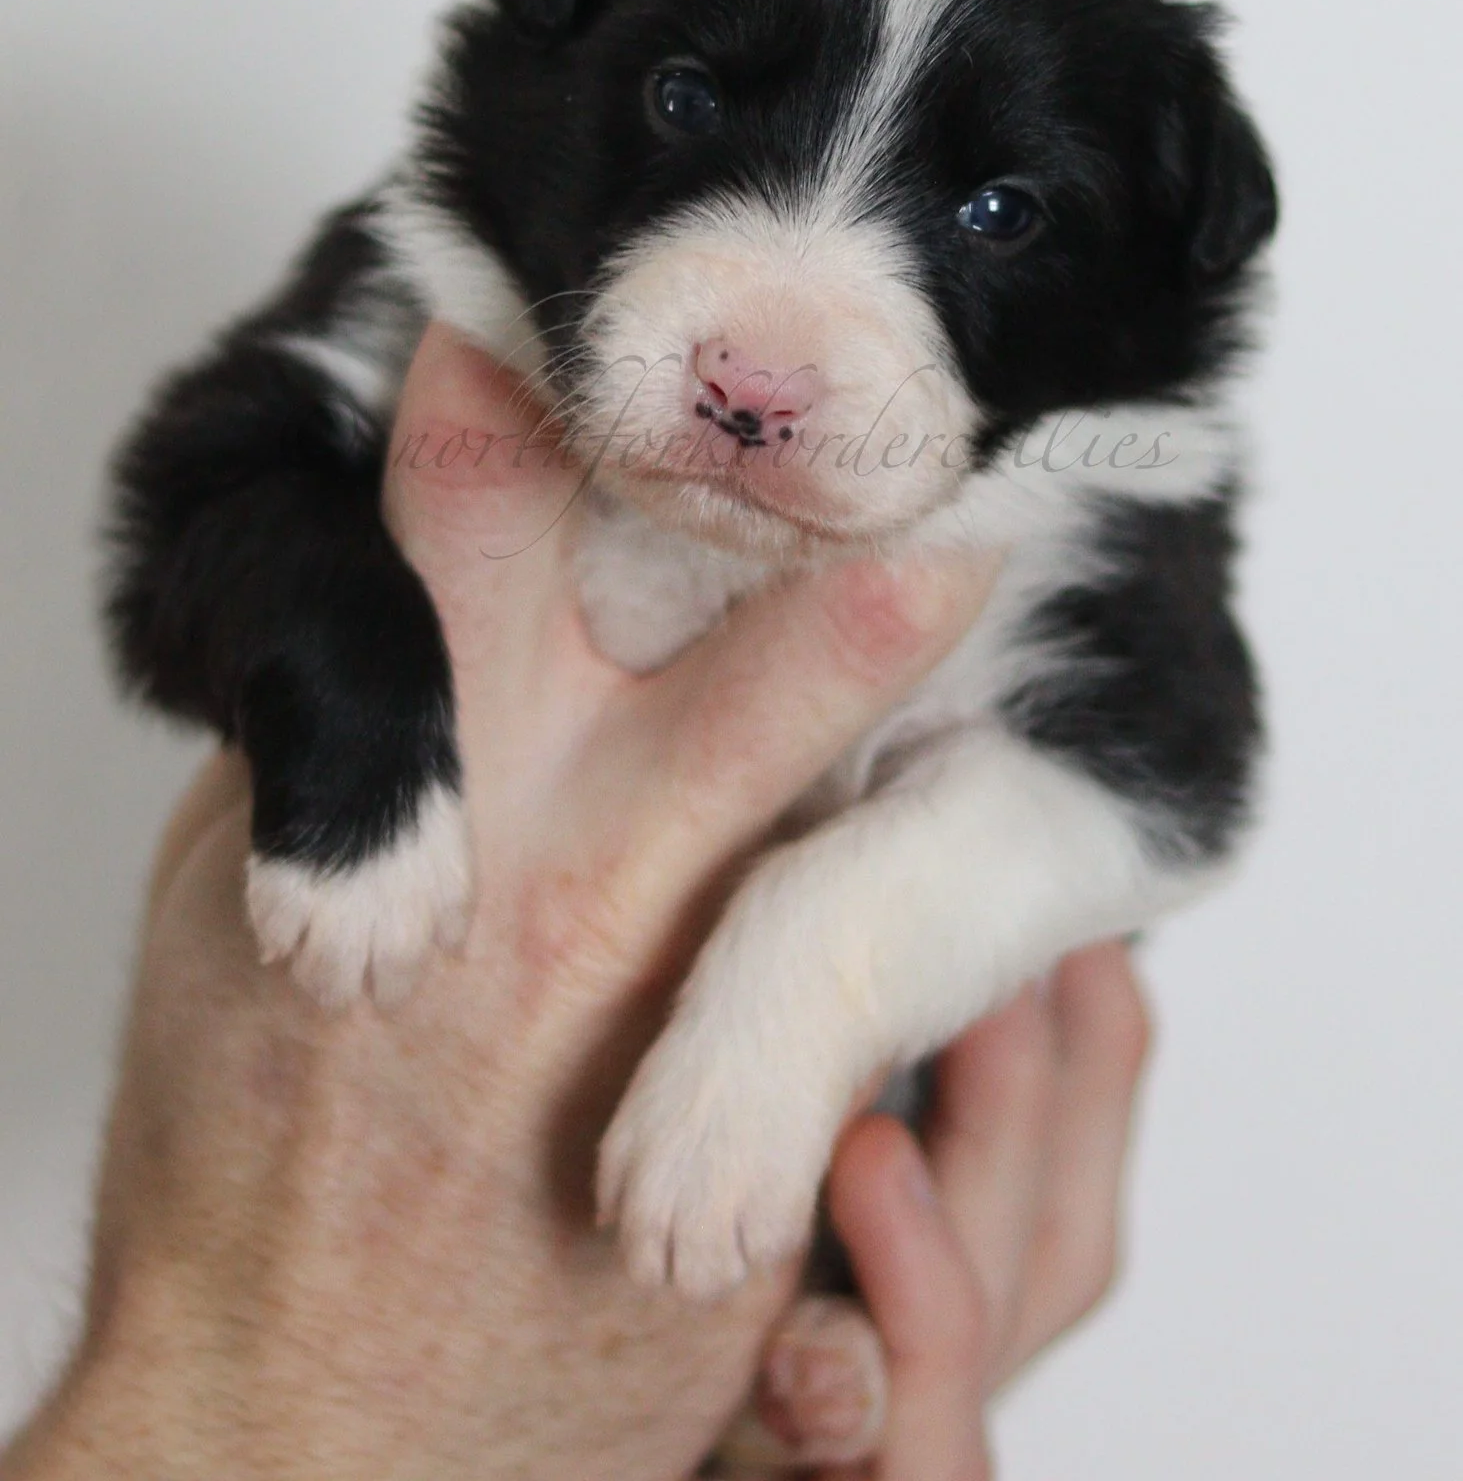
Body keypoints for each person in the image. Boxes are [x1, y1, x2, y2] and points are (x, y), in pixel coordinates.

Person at [2, 326, 1153, 1481]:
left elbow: (1153, 785)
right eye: (688, 125)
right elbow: (200, 523)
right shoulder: (413, 340)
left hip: (861, 1188)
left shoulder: (1098, 481)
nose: (762, 373)